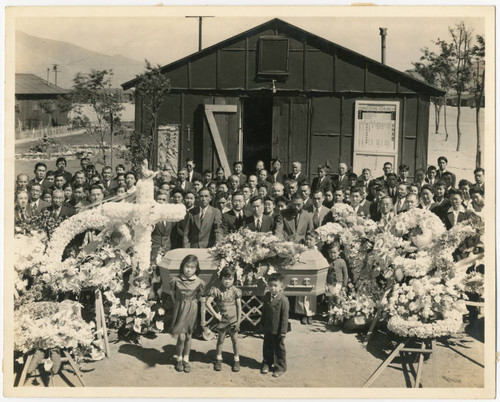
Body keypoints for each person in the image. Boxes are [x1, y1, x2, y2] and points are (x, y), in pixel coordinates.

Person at [169, 254, 206, 373]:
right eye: (186, 266)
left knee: (189, 335)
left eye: (192, 267)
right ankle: (179, 359)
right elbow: (173, 295)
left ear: (196, 269)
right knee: (181, 336)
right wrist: (180, 304)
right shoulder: (175, 280)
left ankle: (186, 359)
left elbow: (199, 297)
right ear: (182, 266)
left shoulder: (199, 282)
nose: (189, 269)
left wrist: (191, 304)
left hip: (192, 309)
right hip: (180, 308)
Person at [205, 266, 242, 372]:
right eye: (225, 278)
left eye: (230, 279)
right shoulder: (217, 290)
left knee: (235, 340)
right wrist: (216, 315)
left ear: (234, 279)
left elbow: (239, 307)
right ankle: (219, 359)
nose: (227, 281)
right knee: (220, 340)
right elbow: (207, 303)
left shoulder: (236, 291)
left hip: (234, 320)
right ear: (221, 278)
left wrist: (239, 321)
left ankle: (236, 360)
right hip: (222, 321)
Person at [261, 273, 289, 378]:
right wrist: (262, 323)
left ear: (281, 286)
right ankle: (267, 363)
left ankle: (280, 367)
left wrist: (283, 331)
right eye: (271, 285)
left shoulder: (283, 300)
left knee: (279, 348)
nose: (273, 288)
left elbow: (285, 318)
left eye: (275, 286)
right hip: (268, 327)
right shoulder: (267, 296)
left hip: (278, 330)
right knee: (267, 346)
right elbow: (264, 311)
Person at [324, 241, 348, 325]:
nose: (333, 255)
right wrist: (325, 284)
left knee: (337, 301)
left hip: (339, 284)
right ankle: (330, 316)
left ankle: (337, 317)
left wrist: (344, 286)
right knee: (330, 301)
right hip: (330, 284)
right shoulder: (327, 261)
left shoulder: (342, 262)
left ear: (339, 252)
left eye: (334, 253)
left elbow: (345, 274)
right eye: (331, 253)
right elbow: (325, 274)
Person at [151, 190, 174, 262]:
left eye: (164, 200)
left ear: (167, 202)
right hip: (153, 249)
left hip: (166, 249)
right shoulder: (150, 215)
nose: (161, 201)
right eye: (159, 199)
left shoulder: (170, 216)